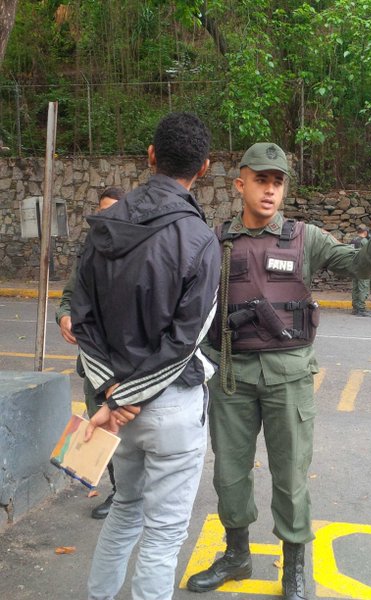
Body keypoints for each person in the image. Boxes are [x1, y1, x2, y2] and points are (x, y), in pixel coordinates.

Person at [185, 141, 371, 600]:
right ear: (240, 182)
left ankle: (293, 568)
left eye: (277, 182)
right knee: (229, 473)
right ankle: (237, 555)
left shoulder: (307, 238)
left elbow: (361, 267)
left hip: (289, 379)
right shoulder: (216, 240)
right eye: (261, 180)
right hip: (231, 376)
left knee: (290, 476)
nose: (269, 190)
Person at [71, 112, 221, 600]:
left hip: (116, 408)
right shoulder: (200, 239)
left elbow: (80, 318)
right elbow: (187, 338)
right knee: (163, 535)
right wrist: (127, 396)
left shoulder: (103, 226)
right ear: (204, 167)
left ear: (151, 155)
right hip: (169, 406)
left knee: (124, 511)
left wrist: (112, 396)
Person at [55, 186, 125, 520]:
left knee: (133, 435)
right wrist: (64, 317)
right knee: (102, 432)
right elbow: (68, 298)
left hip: (129, 367)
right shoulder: (88, 255)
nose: (106, 218)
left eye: (113, 210)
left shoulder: (139, 253)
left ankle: (135, 495)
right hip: (94, 367)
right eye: (102, 211)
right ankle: (119, 493)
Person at [351, 224, 371, 317]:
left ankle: (355, 307)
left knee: (355, 287)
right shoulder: (364, 241)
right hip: (363, 267)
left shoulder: (353, 240)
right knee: (363, 287)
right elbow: (368, 254)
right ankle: (361, 308)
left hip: (354, 266)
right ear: (365, 232)